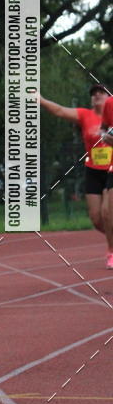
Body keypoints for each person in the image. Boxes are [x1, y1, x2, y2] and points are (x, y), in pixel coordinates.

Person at [39, 85, 111, 267]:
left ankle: (111, 252)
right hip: (93, 170)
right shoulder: (85, 115)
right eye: (93, 94)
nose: (97, 96)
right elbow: (60, 110)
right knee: (96, 218)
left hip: (111, 169)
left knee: (107, 212)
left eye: (101, 93)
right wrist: (40, 100)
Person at [98, 92, 113, 270]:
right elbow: (103, 129)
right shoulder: (110, 104)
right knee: (109, 213)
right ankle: (111, 251)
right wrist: (105, 136)